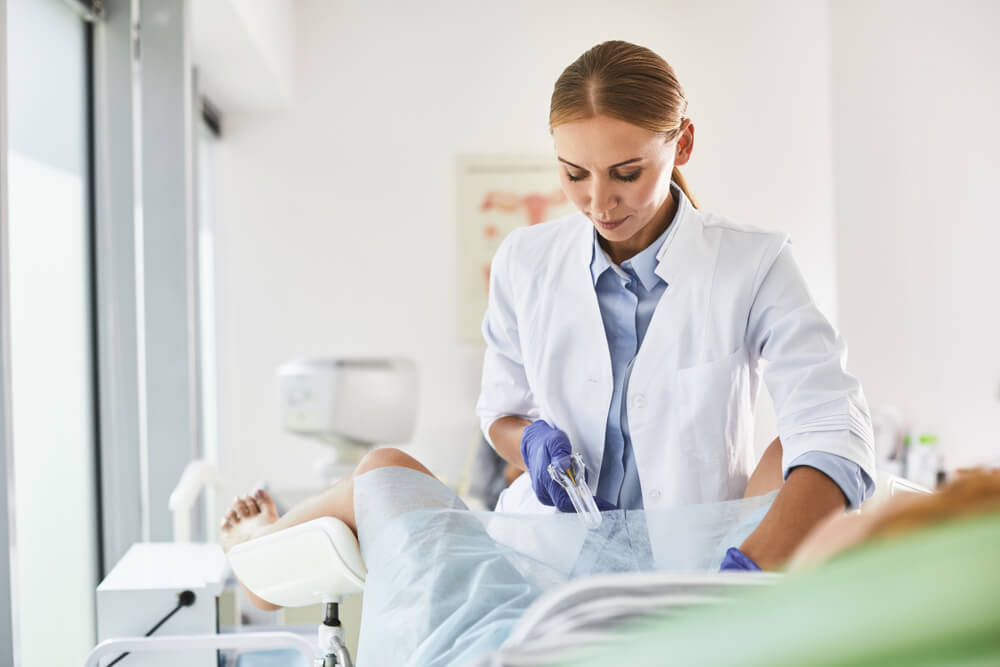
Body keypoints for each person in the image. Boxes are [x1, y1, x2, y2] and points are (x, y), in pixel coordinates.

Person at [476, 40, 876, 570]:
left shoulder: (754, 262)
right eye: (574, 174)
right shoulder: (524, 261)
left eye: (626, 173)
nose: (599, 202)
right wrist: (529, 442)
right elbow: (499, 412)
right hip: (545, 563)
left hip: (692, 567)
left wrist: (752, 569)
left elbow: (831, 423)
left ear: (682, 143)